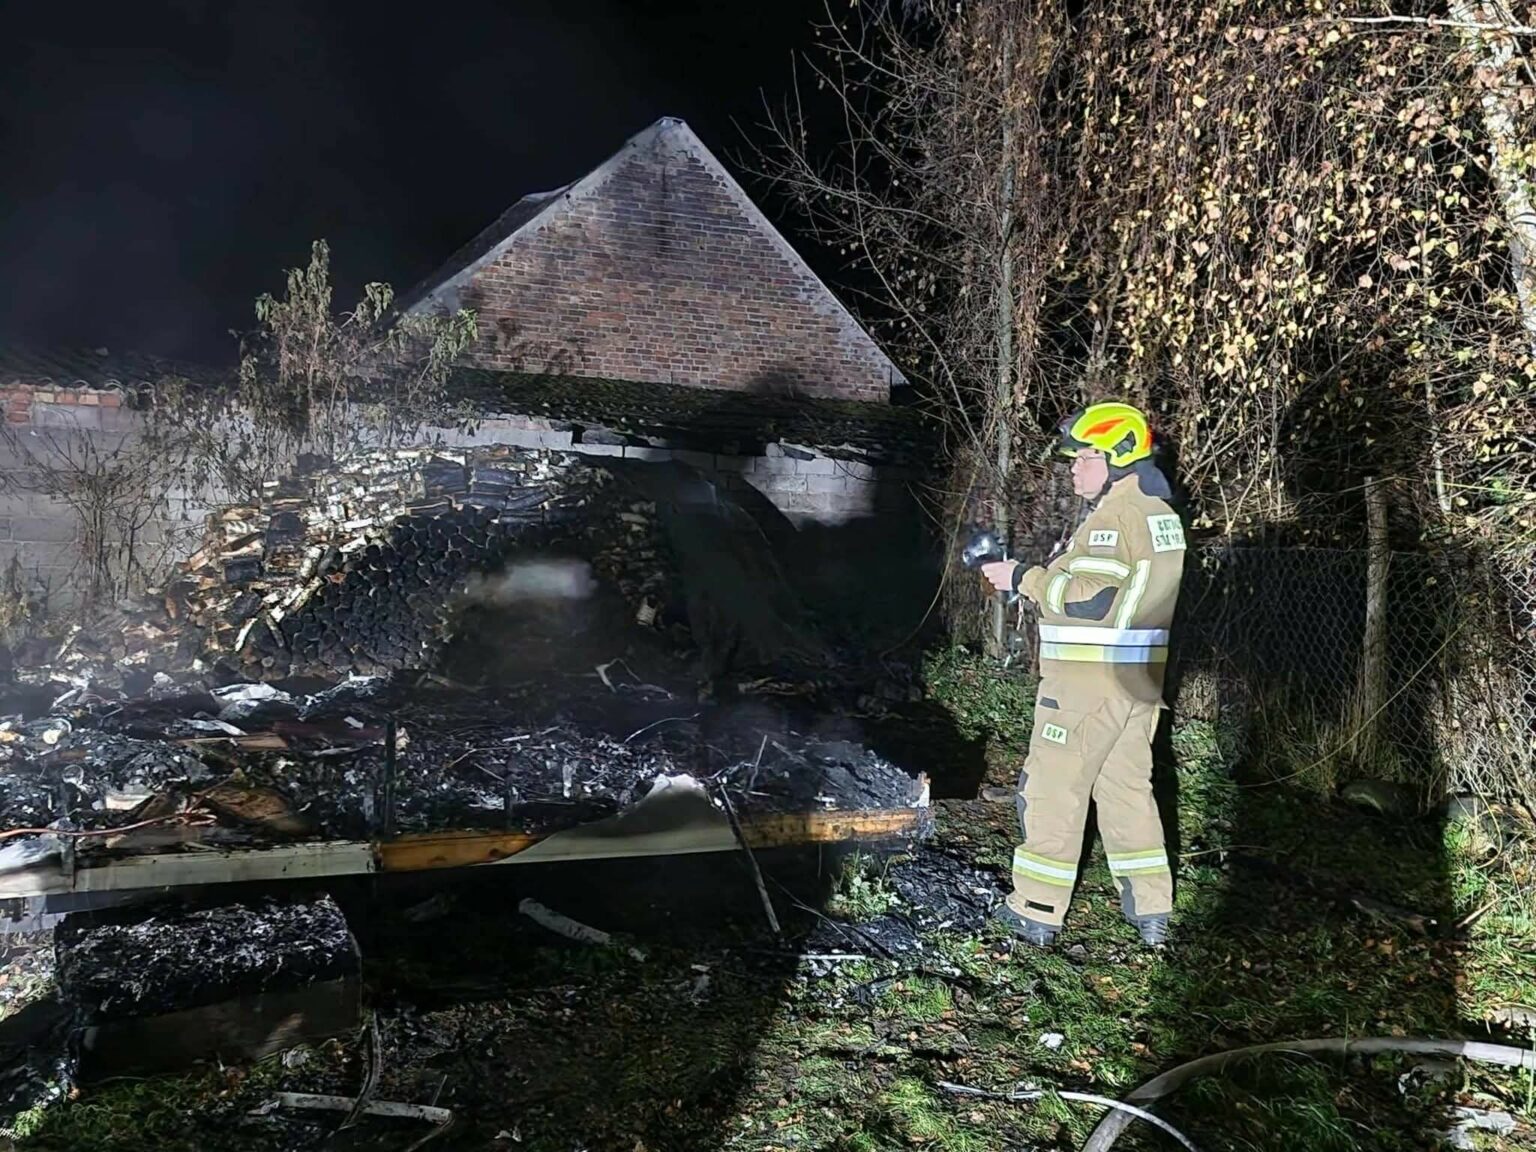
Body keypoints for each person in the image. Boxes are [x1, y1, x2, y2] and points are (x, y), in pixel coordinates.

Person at [980, 400, 1186, 948]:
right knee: (1126, 792)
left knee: (1051, 789)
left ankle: (1034, 910)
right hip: (1137, 681)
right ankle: (1151, 911)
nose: (1073, 468)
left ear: (1115, 458)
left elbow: (1088, 602)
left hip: (1087, 682)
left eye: (1083, 457)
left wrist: (1022, 577)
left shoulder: (1114, 516)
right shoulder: (1159, 513)